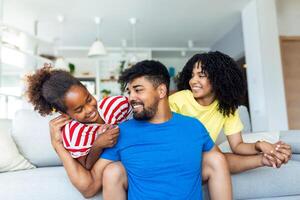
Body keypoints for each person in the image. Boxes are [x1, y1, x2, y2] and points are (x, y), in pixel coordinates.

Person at [49, 60, 232, 200]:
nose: (131, 98)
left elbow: (223, 163)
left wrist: (257, 159)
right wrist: (58, 145)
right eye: (129, 92)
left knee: (215, 158)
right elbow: (89, 188)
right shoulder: (120, 132)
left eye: (138, 90)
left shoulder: (193, 126)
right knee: (113, 170)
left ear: (161, 91)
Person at [169, 51, 292, 173]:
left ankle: (265, 160)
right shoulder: (179, 100)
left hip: (201, 158)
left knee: (217, 158)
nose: (193, 81)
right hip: (173, 155)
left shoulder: (226, 108)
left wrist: (260, 145)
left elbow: (237, 145)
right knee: (216, 157)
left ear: (218, 79)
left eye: (201, 76)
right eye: (192, 75)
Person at [26, 64, 132, 169]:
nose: (90, 109)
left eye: (89, 99)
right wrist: (98, 145)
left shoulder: (115, 105)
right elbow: (86, 165)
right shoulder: (73, 134)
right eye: (79, 110)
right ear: (65, 113)